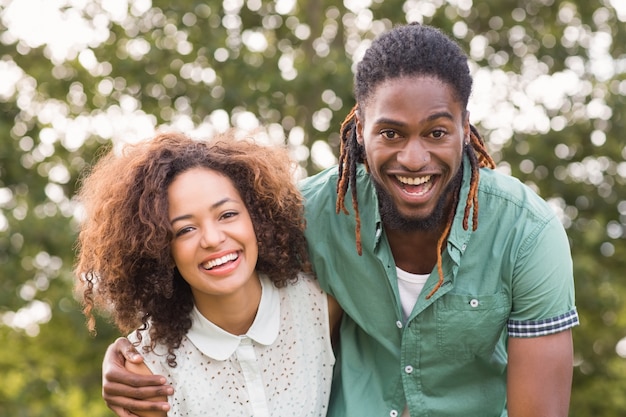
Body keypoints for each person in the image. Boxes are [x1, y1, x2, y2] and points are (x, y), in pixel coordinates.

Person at [100, 23, 578, 417]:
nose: (414, 158)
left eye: (436, 131)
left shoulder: (526, 234)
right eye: (390, 133)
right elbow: (216, 275)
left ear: (465, 126)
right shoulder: (306, 215)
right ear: (359, 127)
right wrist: (132, 352)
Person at [74, 132, 340, 416]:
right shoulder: (147, 369)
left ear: (257, 218)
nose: (212, 239)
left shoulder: (322, 304)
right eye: (185, 229)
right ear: (161, 250)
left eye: (227, 215)